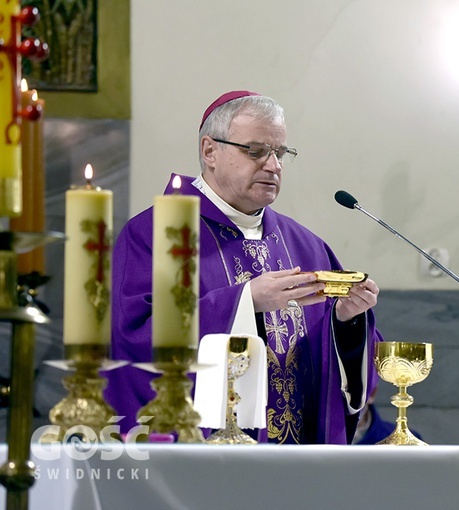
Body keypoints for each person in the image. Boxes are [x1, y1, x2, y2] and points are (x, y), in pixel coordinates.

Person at [105, 90, 382, 444]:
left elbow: (350, 375)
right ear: (210, 151)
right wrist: (244, 302)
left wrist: (347, 321)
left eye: (280, 153)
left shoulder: (306, 246)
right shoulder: (155, 234)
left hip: (298, 464)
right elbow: (133, 337)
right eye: (255, 151)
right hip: (205, 461)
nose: (273, 165)